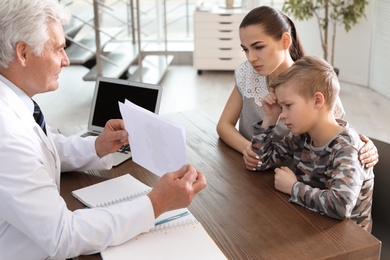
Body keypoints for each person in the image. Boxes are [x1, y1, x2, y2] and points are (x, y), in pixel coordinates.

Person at [0, 0, 206, 259]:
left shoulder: (13, 102)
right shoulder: (6, 133)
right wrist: (157, 203)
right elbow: (64, 235)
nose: (65, 60)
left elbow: (42, 144)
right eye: (58, 49)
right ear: (23, 52)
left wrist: (98, 146)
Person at [216, 5, 379, 171]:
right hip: (251, 171)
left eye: (258, 47)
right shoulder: (247, 73)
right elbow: (223, 125)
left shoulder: (314, 81)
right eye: (246, 49)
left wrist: (362, 146)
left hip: (295, 181)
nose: (251, 58)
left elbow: (334, 136)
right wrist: (248, 149)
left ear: (285, 41)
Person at [252, 55, 374, 232]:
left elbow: (341, 206)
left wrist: (293, 188)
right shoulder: (303, 135)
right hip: (311, 224)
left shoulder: (347, 148)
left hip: (347, 244)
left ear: (317, 101)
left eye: (288, 105)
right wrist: (270, 118)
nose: (283, 114)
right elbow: (260, 161)